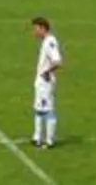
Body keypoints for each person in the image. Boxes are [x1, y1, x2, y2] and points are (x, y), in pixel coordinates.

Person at [31, 16, 64, 149]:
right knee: (39, 109)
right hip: (41, 82)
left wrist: (47, 72)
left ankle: (50, 141)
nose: (34, 32)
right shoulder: (46, 41)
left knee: (48, 110)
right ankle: (37, 138)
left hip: (45, 82)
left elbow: (58, 62)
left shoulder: (50, 42)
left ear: (43, 28)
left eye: (36, 29)